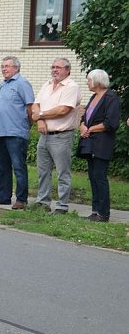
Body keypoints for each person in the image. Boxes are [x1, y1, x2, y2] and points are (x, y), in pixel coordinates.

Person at [31, 58, 80, 214]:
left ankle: (62, 205)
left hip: (61, 136)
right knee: (43, 171)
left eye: (58, 67)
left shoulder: (71, 86)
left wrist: (41, 115)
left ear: (67, 70)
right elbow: (35, 104)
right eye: (52, 67)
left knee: (62, 172)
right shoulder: (47, 84)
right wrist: (40, 121)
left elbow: (63, 110)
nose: (54, 70)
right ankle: (43, 201)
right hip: (44, 135)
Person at [0, 57, 35, 210]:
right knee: (3, 166)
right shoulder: (4, 84)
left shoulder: (22, 83)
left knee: (18, 166)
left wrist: (27, 123)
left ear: (16, 68)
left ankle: (21, 199)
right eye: (2, 66)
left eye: (7, 66)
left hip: (15, 132)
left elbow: (30, 107)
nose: (4, 69)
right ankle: (4, 196)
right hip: (1, 131)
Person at [77, 69, 121, 222]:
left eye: (89, 80)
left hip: (102, 143)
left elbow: (111, 123)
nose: (87, 83)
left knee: (100, 176)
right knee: (92, 176)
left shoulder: (111, 97)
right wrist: (82, 126)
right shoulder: (93, 97)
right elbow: (85, 117)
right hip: (89, 143)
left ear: (97, 81)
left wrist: (90, 129)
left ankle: (104, 213)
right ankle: (95, 210)